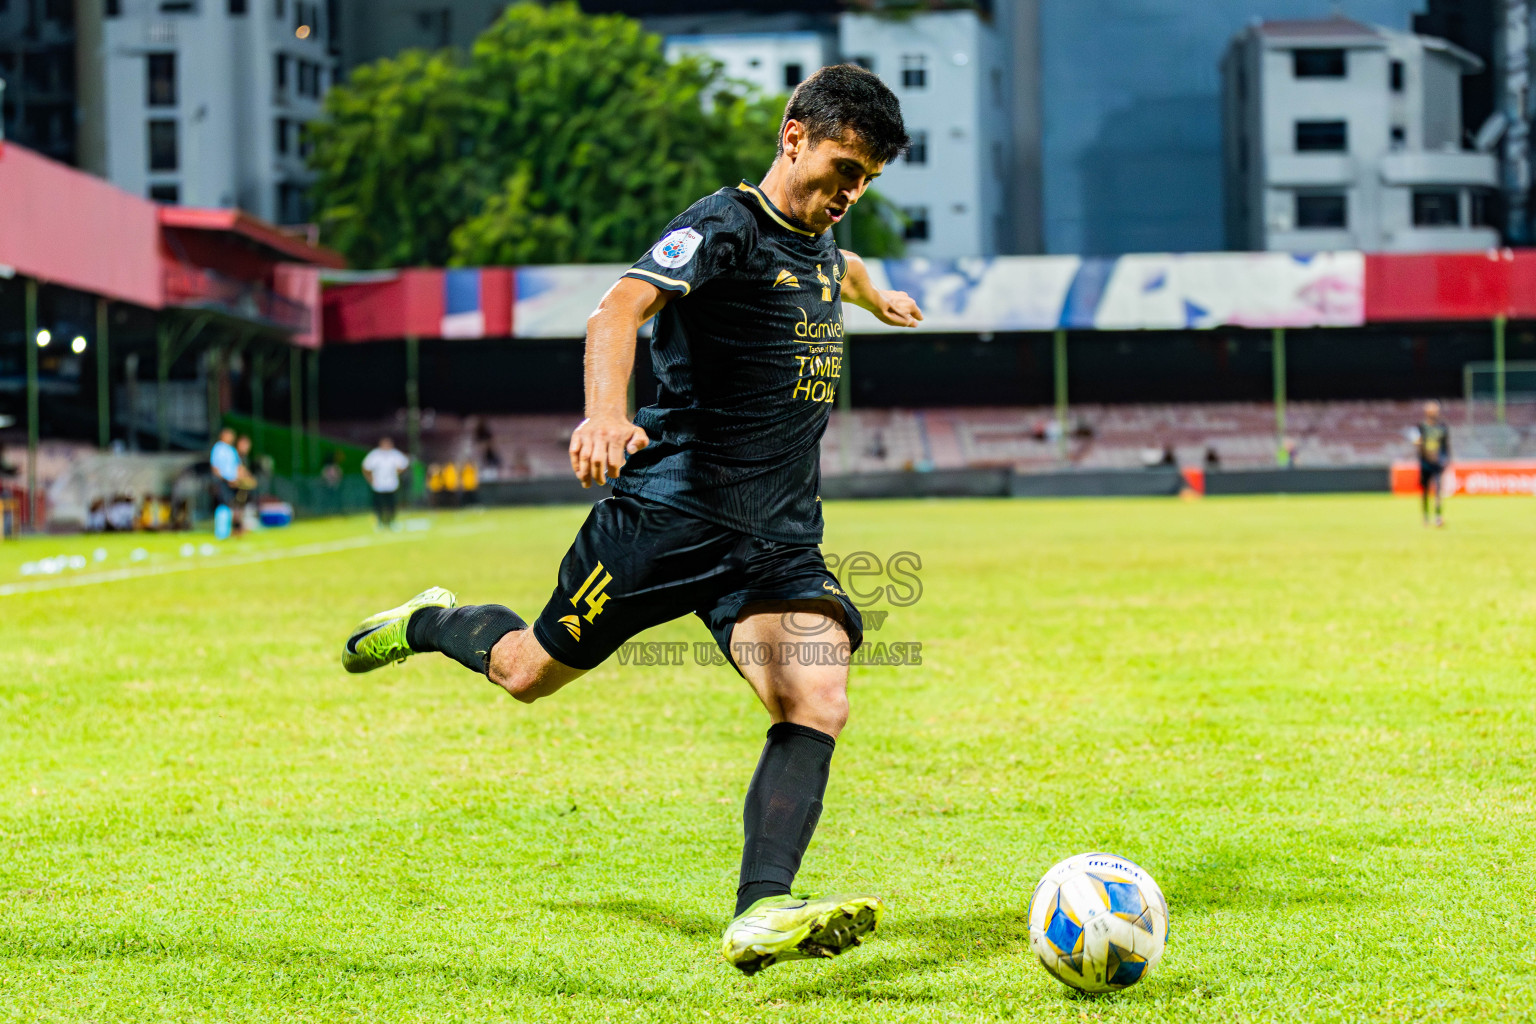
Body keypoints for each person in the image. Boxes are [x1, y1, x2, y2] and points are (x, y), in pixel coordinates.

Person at [341, 64, 920, 975]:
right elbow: (620, 309)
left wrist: (873, 295)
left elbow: (834, 268)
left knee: (820, 695)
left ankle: (761, 909)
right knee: (529, 672)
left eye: (865, 182)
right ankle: (427, 621)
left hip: (773, 537)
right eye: (842, 168)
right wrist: (606, 415)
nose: (847, 194)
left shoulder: (819, 241)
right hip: (666, 517)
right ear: (793, 135)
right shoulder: (723, 225)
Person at [1414, 400, 1451, 527]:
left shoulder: (1442, 427)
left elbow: (1446, 446)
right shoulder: (1421, 426)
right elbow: (1417, 443)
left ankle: (1438, 516)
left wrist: (1446, 460)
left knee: (1438, 490)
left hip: (1438, 463)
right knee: (1425, 491)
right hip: (1425, 463)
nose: (1433, 413)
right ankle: (1425, 517)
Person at [361, 436, 410, 528]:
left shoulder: (394, 454)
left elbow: (404, 463)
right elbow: (365, 466)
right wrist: (370, 479)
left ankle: (391, 522)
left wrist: (398, 472)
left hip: (391, 484)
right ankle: (380, 522)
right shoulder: (375, 455)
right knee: (379, 505)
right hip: (378, 485)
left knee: (391, 505)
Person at [210, 428, 241, 538]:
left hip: (232, 483)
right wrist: (227, 479)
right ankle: (221, 532)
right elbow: (215, 468)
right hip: (222, 482)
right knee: (223, 504)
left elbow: (237, 466)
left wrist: (237, 479)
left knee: (231, 505)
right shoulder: (218, 448)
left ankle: (230, 530)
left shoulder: (232, 450)